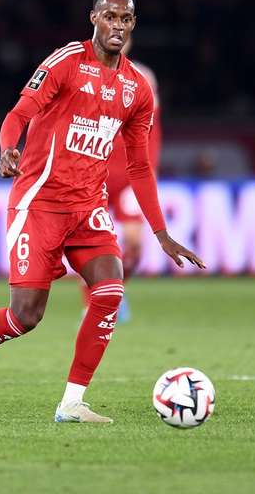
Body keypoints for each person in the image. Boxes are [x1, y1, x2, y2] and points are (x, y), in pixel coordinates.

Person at [0, 0, 204, 424]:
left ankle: (72, 401)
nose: (117, 25)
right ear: (93, 17)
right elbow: (19, 113)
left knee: (110, 289)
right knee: (25, 316)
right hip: (39, 201)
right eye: (109, 16)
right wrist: (8, 147)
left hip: (88, 207)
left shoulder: (136, 88)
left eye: (126, 19)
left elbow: (139, 168)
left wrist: (161, 234)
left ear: (133, 25)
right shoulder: (65, 62)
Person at [80, 37, 162, 322]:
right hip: (93, 174)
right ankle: (92, 304)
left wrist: (151, 168)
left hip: (128, 177)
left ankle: (116, 291)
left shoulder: (142, 77)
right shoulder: (82, 71)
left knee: (134, 244)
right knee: (90, 244)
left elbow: (153, 129)